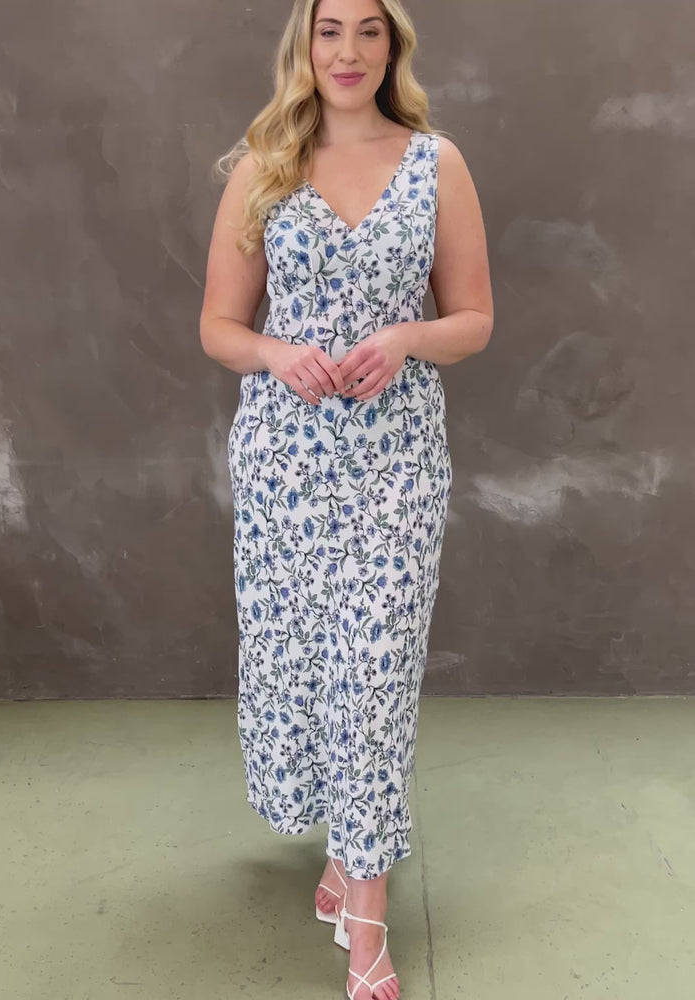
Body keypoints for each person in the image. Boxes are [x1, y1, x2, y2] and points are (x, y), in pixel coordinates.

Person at [200, 0, 493, 996]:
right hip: (285, 464)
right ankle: (341, 851)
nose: (350, 50)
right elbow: (219, 326)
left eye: (370, 30)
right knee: (302, 670)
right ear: (307, 44)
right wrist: (275, 353)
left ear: (392, 45)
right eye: (331, 29)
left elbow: (474, 317)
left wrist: (407, 338)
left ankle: (366, 916)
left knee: (376, 672)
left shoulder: (436, 163)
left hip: (398, 460)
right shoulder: (264, 165)